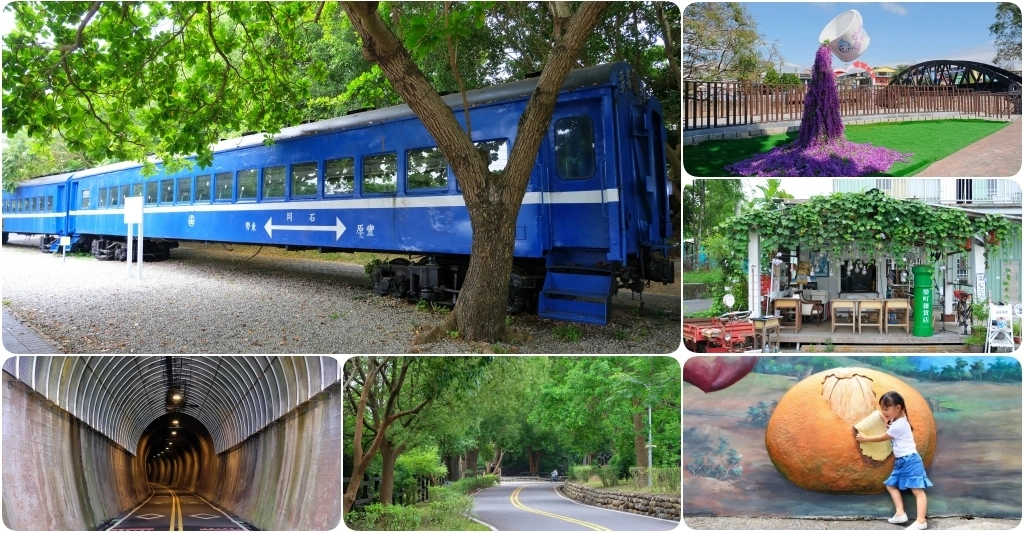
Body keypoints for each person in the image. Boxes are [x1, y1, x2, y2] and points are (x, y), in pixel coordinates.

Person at [855, 391, 933, 530]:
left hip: (910, 460)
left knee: (918, 491)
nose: (884, 412)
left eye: (887, 409)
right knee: (891, 485)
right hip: (902, 461)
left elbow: (883, 437)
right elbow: (890, 426)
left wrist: (865, 438)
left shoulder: (899, 424)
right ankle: (900, 513)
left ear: (898, 408)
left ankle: (921, 521)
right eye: (882, 409)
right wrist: (885, 418)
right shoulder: (899, 420)